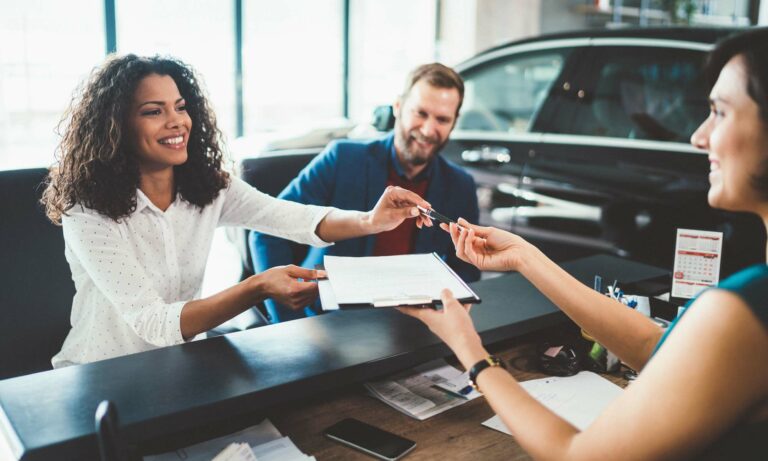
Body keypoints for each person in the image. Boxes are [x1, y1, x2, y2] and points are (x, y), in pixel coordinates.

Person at [401, 28, 768, 460]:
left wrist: (470, 350)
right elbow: (656, 347)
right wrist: (526, 257)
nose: (698, 136)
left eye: (721, 113)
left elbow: (575, 454)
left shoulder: (746, 308)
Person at [42, 54, 432, 367]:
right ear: (117, 126)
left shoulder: (208, 187)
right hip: (100, 374)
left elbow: (295, 218)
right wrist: (257, 287)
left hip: (175, 366)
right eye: (153, 111)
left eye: (179, 107)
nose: (177, 121)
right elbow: (153, 323)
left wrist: (371, 220)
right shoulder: (87, 210)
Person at [251, 63, 480, 322]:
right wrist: (287, 323)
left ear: (453, 123)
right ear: (398, 107)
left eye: (442, 119)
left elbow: (466, 268)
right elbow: (266, 231)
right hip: (327, 319)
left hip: (412, 324)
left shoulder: (461, 184)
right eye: (420, 113)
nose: (428, 130)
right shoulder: (342, 159)